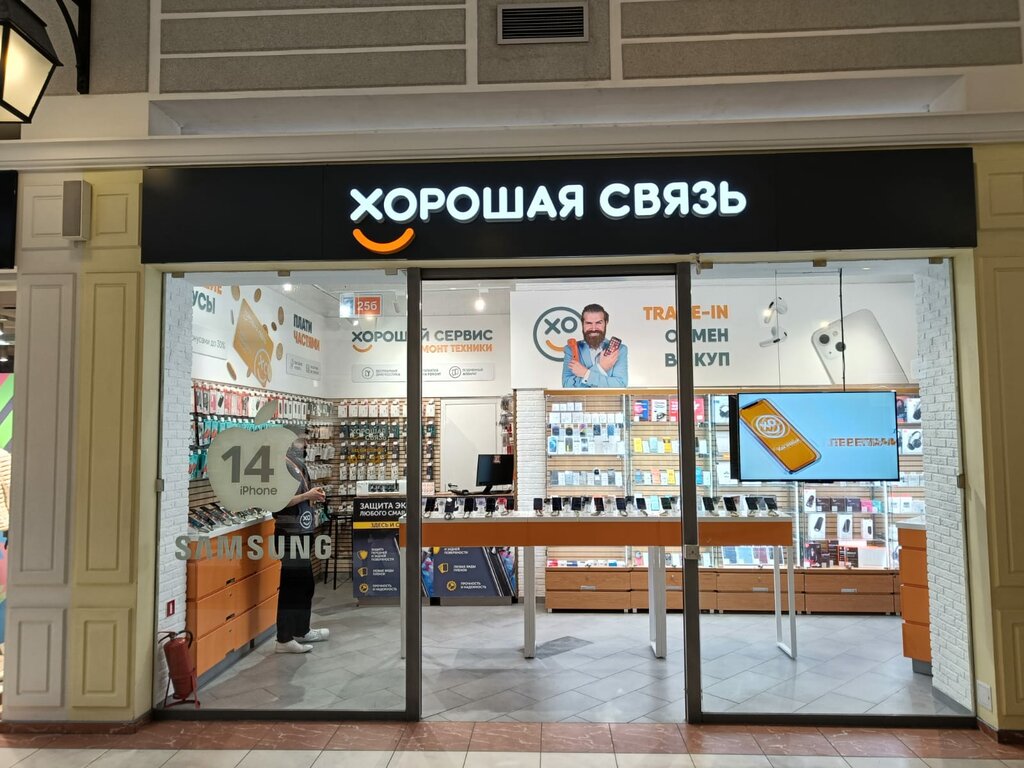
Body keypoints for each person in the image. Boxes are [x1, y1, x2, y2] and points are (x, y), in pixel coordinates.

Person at [274, 436, 329, 654]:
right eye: (301, 441)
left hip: (301, 531)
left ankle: (301, 630)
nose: (306, 445)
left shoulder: (297, 465)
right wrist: (308, 495)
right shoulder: (280, 466)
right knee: (291, 587)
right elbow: (278, 502)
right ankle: (284, 639)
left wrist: (312, 496)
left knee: (305, 585)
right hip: (289, 533)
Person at [561, 303, 629, 387]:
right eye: (588, 323)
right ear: (583, 324)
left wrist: (586, 374)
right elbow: (567, 385)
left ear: (606, 323)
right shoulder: (571, 349)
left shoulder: (620, 350)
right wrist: (601, 368)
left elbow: (620, 385)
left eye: (598, 323)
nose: (593, 328)